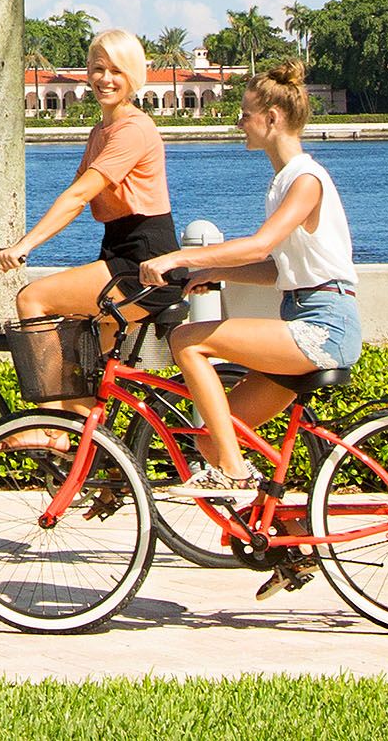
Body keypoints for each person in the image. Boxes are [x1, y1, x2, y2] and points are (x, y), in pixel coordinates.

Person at [145, 58, 358, 498]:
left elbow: (262, 245)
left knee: (187, 341)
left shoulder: (306, 180)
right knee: (210, 441)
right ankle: (279, 544)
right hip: (299, 317)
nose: (239, 123)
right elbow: (279, 269)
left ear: (272, 118)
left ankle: (236, 473)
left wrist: (178, 256)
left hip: (323, 328)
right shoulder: (285, 181)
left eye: (244, 114)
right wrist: (212, 271)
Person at [0, 32, 172, 339]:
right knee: (79, 358)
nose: (105, 79)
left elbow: (78, 196)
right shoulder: (101, 131)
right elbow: (75, 197)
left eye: (117, 71)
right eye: (98, 69)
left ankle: (39, 391)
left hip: (143, 264)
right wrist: (23, 244)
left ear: (134, 75)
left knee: (32, 299)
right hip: (118, 253)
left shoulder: (133, 130)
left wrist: (23, 247)